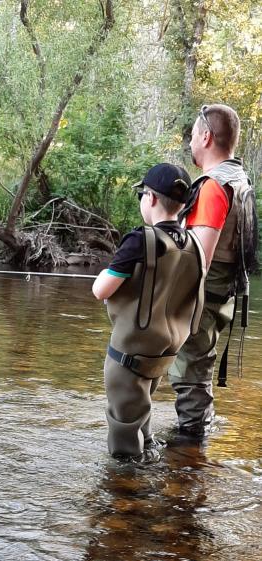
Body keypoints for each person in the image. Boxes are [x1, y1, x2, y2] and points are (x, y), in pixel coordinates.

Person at [92, 163, 206, 461]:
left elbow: (101, 290)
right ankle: (152, 469)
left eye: (142, 194)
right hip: (163, 355)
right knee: (140, 413)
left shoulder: (140, 240)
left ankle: (128, 495)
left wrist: (105, 271)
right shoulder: (194, 243)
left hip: (128, 355)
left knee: (123, 431)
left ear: (151, 198)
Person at [168, 103, 257, 438]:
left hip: (206, 293)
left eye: (193, 136)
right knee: (199, 369)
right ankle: (195, 448)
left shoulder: (213, 186)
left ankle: (189, 451)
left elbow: (199, 256)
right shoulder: (239, 177)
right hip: (225, 292)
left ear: (206, 136)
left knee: (190, 372)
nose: (191, 143)